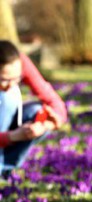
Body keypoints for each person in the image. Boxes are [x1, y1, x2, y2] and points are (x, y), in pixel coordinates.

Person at [0, 40, 67, 179]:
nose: (11, 84)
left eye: (17, 79)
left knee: (37, 112)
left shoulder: (19, 62)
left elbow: (53, 101)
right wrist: (13, 136)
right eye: (4, 80)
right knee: (7, 98)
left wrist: (46, 124)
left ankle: (5, 167)